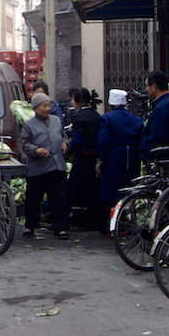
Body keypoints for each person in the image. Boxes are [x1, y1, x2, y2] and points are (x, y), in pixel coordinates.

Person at [19, 92, 70, 239]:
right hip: (38, 167)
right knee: (34, 198)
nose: (48, 108)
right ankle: (30, 226)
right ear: (35, 108)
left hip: (56, 165)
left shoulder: (56, 120)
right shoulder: (29, 125)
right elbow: (24, 143)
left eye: (48, 105)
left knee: (58, 197)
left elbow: (63, 135)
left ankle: (60, 228)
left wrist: (64, 143)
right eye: (44, 106)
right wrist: (36, 149)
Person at [96, 89, 145, 232]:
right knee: (130, 190)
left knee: (110, 190)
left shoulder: (107, 119)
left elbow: (102, 140)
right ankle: (126, 223)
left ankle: (108, 225)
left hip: (114, 157)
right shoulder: (136, 120)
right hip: (132, 157)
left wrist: (100, 158)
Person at [66, 87, 100, 229]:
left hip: (83, 157)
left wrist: (68, 148)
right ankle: (93, 220)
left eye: (73, 99)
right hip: (94, 158)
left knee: (72, 188)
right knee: (92, 189)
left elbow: (77, 141)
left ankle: (64, 220)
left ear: (78, 101)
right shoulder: (96, 115)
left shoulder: (79, 117)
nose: (71, 102)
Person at [140, 70, 169, 162]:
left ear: (154, 86)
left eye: (147, 86)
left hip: (165, 160)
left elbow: (157, 137)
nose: (146, 89)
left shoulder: (160, 108)